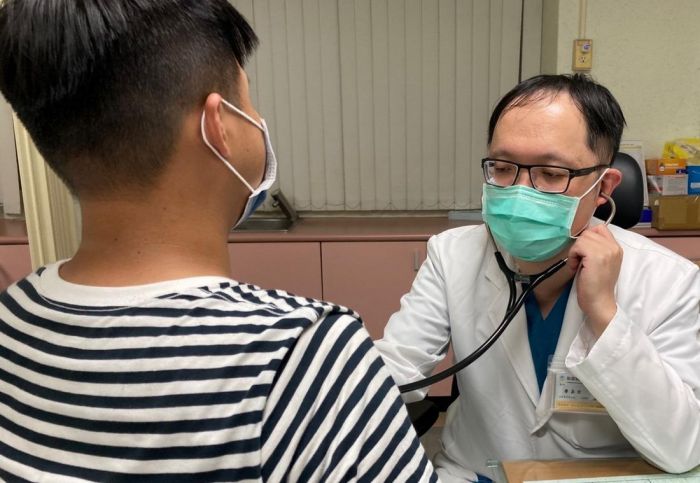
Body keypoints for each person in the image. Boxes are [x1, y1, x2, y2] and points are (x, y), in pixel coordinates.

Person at [0, 1, 437, 481]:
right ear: (218, 125)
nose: (258, 120)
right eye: (247, 102)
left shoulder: (13, 314)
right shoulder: (303, 354)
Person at [376, 74, 700, 482]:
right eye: (502, 168)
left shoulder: (669, 281)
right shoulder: (452, 255)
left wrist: (606, 315)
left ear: (603, 187)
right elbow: (395, 368)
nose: (519, 191)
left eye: (550, 173)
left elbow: (682, 447)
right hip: (476, 473)